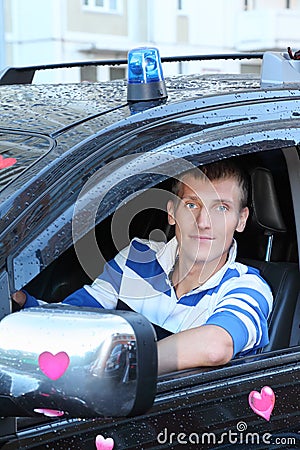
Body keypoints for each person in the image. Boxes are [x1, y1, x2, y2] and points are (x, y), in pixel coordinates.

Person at [12, 160, 273, 375]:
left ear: (241, 220)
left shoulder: (248, 286)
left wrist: (119, 367)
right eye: (191, 205)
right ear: (171, 212)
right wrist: (23, 305)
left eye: (221, 208)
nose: (203, 222)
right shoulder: (139, 256)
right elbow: (77, 317)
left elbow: (216, 346)